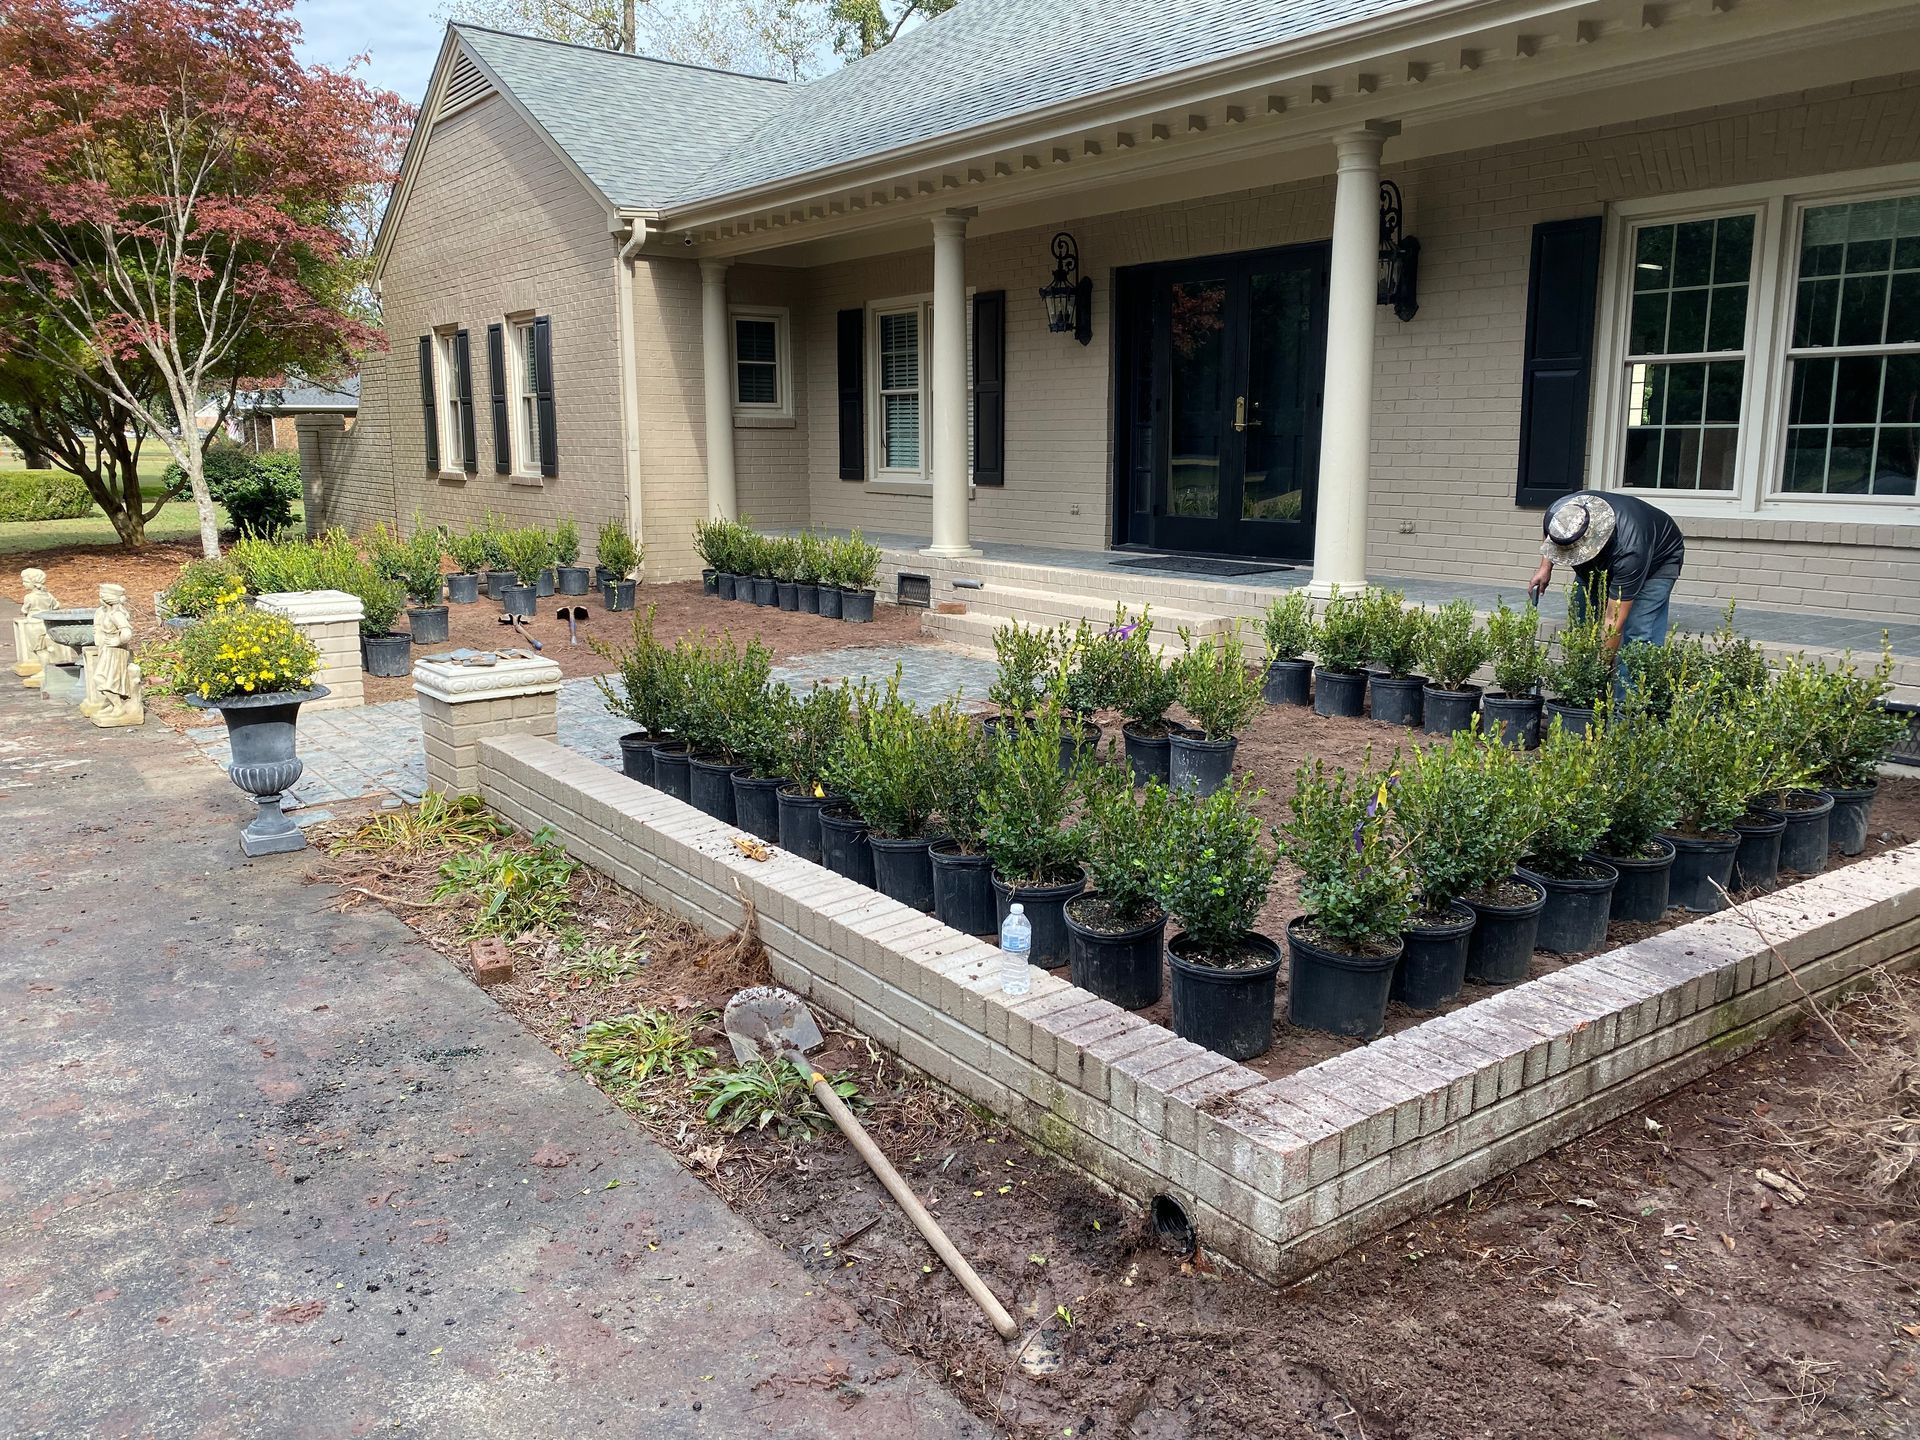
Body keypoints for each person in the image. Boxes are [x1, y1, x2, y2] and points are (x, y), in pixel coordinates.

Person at [1528, 491, 1685, 689]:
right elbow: (1550, 537)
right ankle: (1584, 694)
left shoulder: (1631, 551)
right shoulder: (1558, 512)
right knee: (1582, 623)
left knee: (1638, 633)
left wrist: (1598, 672)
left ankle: (1625, 709)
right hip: (1608, 559)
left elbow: (1613, 621)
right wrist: (1545, 567)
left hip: (1659, 558)